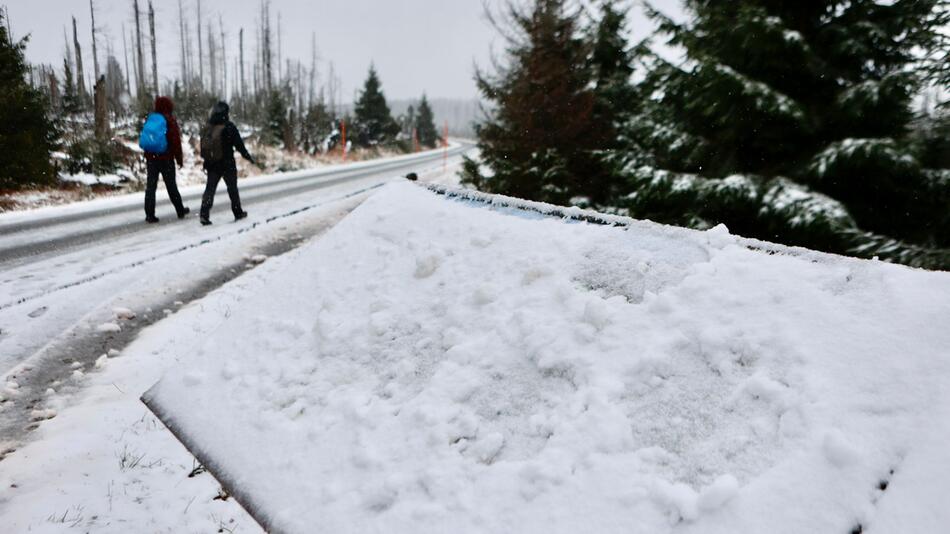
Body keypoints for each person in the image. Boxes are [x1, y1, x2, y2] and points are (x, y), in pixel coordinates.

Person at [199, 102, 255, 226]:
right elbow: (239, 145)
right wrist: (248, 157)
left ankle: (204, 214)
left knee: (210, 189)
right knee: (232, 189)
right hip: (227, 163)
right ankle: (237, 212)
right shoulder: (229, 127)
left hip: (212, 164)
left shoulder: (209, 127)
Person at [142, 97, 189, 223]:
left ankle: (149, 214)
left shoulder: (151, 118)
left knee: (151, 187)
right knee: (171, 185)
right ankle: (180, 210)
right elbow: (175, 142)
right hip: (166, 158)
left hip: (151, 158)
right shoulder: (170, 120)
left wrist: (148, 155)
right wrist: (179, 159)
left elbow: (147, 138)